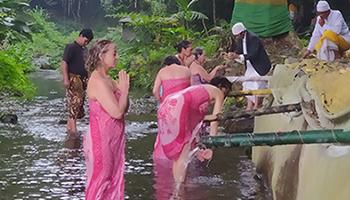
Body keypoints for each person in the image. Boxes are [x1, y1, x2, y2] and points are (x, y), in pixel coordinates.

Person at [157, 77, 232, 184]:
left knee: (178, 156)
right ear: (222, 87)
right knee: (182, 154)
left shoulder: (196, 91)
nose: (224, 97)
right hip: (177, 106)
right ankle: (179, 193)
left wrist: (197, 151)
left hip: (166, 105)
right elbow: (215, 120)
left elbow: (192, 127)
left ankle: (177, 188)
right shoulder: (217, 92)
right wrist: (211, 146)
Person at [83, 39, 129, 199]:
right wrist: (124, 91)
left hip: (113, 139)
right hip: (101, 140)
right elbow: (117, 112)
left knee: (113, 180)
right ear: (101, 56)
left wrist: (124, 91)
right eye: (114, 53)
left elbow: (124, 108)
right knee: (100, 182)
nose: (117, 56)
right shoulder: (97, 81)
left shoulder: (109, 80)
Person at [152, 55, 191, 160]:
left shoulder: (162, 72)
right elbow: (191, 90)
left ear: (166, 64)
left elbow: (155, 91)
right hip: (184, 106)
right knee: (184, 132)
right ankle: (184, 153)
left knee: (167, 133)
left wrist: (161, 100)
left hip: (169, 106)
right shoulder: (186, 70)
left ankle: (169, 154)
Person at [228, 22, 271, 110]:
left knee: (257, 84)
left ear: (242, 33)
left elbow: (253, 54)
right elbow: (240, 51)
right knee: (247, 83)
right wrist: (233, 55)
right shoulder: (241, 40)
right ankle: (249, 106)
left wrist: (238, 56)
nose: (236, 38)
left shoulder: (253, 38)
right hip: (250, 66)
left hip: (259, 65)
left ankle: (256, 106)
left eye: (237, 35)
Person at [61, 28, 94, 135]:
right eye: (85, 40)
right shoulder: (71, 47)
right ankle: (73, 129)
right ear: (80, 36)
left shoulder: (84, 50)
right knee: (76, 101)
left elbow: (88, 66)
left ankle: (70, 127)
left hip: (83, 79)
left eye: (88, 42)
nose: (86, 43)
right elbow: (64, 63)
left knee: (79, 104)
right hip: (73, 78)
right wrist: (66, 79)